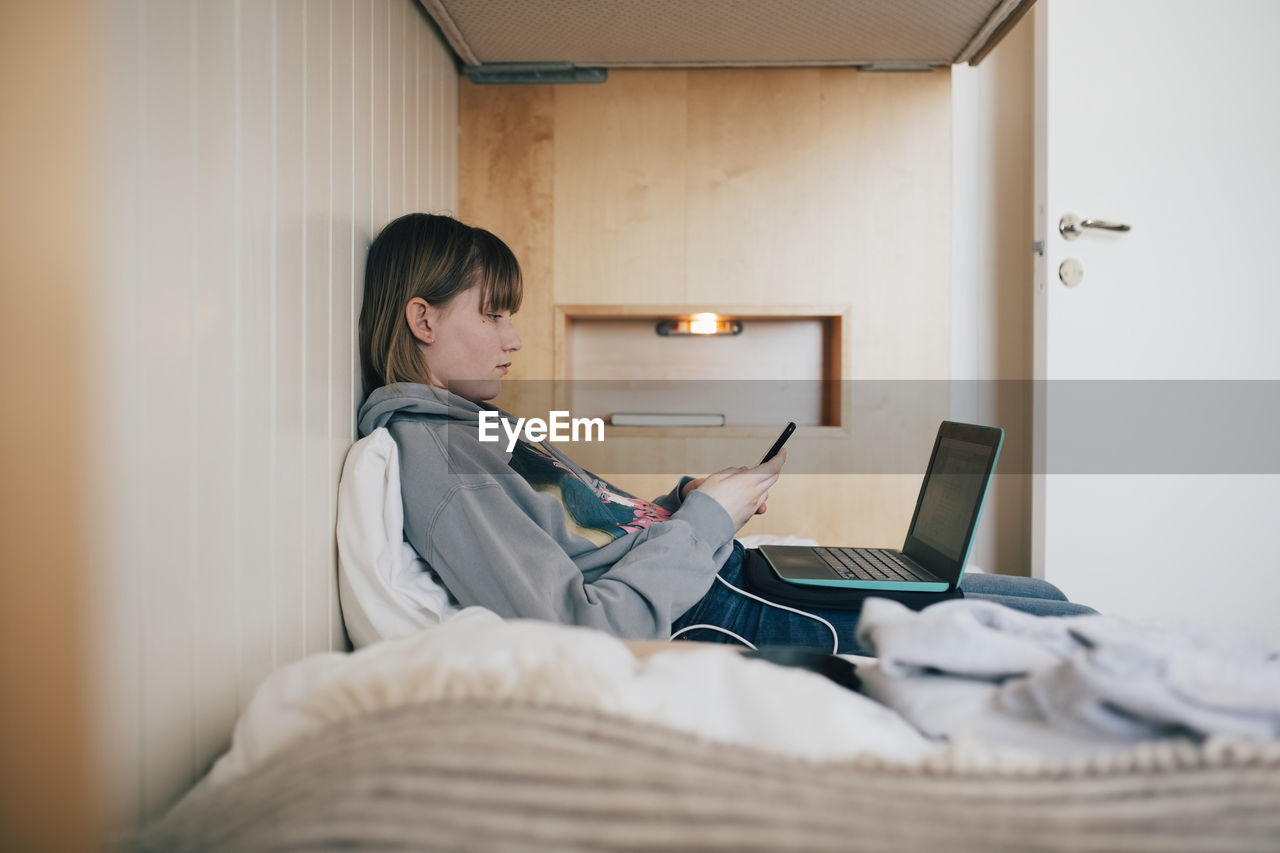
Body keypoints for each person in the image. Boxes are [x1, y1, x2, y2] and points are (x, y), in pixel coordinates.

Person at [356, 213, 1094, 654]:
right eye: (493, 314)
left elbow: (591, 536)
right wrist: (708, 520)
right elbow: (580, 626)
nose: (513, 338)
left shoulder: (475, 427)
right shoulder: (440, 460)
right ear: (424, 319)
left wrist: (691, 502)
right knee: (1072, 626)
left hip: (711, 570)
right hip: (710, 609)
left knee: (1044, 591)